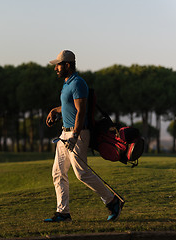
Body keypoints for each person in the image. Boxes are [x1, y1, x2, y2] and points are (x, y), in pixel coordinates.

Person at [44, 50, 123, 222]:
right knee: (58, 172)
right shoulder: (67, 84)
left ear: (67, 65)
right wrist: (54, 111)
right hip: (64, 133)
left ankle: (112, 201)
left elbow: (81, 111)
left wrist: (74, 136)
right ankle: (63, 212)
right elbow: (68, 106)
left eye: (58, 65)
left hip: (77, 134)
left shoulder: (78, 83)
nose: (55, 68)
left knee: (81, 173)